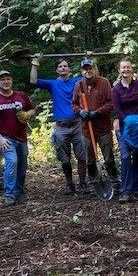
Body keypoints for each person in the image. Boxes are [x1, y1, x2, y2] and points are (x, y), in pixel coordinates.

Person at [30, 56, 88, 194]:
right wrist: (35, 63)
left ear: (69, 69)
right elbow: (33, 81)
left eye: (65, 66)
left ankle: (83, 183)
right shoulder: (53, 84)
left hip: (77, 124)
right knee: (65, 158)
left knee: (82, 156)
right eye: (60, 66)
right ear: (57, 70)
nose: (63, 68)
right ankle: (69, 184)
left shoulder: (76, 82)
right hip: (61, 127)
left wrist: (88, 58)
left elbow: (91, 75)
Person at [0, 70, 36, 205]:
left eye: (8, 79)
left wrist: (27, 115)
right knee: (12, 162)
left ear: (11, 81)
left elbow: (32, 109)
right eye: (2, 80)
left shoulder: (21, 96)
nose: (6, 82)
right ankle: (9, 195)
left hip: (21, 137)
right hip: (6, 138)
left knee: (22, 165)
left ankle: (19, 192)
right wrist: (0, 138)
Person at [71, 58, 119, 193]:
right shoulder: (79, 85)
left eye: (90, 68)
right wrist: (80, 111)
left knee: (108, 157)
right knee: (90, 158)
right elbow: (74, 104)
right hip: (86, 129)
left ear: (95, 69)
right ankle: (95, 184)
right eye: (85, 69)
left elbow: (111, 103)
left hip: (103, 127)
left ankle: (114, 182)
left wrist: (98, 112)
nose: (88, 71)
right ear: (82, 71)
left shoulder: (104, 83)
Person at [112, 58, 138, 203]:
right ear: (119, 70)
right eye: (123, 68)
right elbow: (117, 109)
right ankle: (125, 190)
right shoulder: (116, 89)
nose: (126, 70)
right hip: (123, 128)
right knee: (126, 157)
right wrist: (127, 121)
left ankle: (137, 187)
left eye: (128, 67)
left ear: (131, 69)